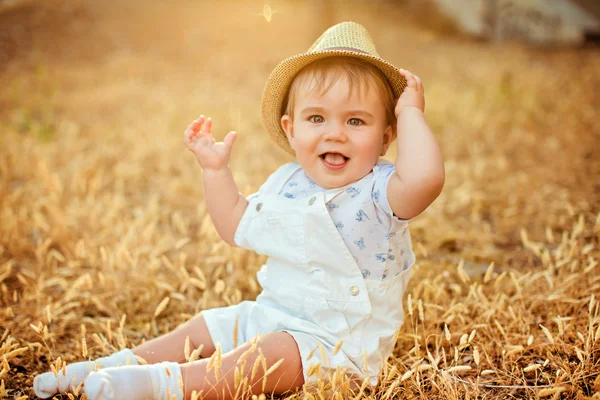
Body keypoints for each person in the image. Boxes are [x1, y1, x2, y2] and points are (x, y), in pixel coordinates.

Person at [33, 21, 444, 400]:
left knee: (262, 356)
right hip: (271, 314)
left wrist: (410, 112)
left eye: (356, 121)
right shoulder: (286, 182)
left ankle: (160, 385)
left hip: (336, 345)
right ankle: (112, 365)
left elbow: (426, 179)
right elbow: (234, 224)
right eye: (316, 117)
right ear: (291, 129)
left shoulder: (381, 192)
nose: (334, 132)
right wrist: (215, 172)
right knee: (211, 325)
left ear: (387, 136)